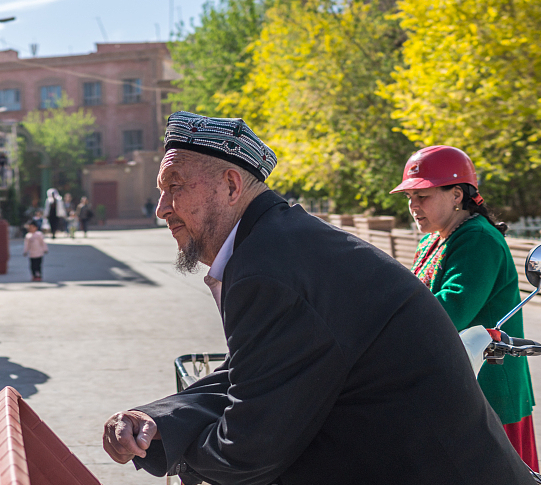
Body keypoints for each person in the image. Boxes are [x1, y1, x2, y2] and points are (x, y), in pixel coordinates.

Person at [102, 111, 534, 485]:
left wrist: (177, 451)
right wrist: (160, 421)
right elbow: (257, 370)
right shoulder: (280, 243)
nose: (161, 208)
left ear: (232, 186)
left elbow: (249, 450)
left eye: (174, 186)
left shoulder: (267, 267)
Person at [392, 145, 537, 469]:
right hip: (451, 385)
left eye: (423, 197)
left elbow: (447, 311)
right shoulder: (434, 238)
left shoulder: (477, 239)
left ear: (457, 195)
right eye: (410, 198)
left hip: (488, 390)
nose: (413, 207)